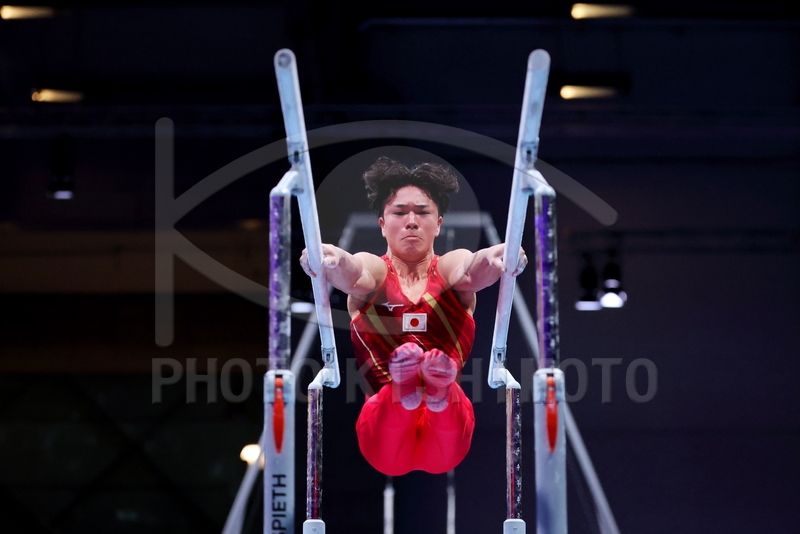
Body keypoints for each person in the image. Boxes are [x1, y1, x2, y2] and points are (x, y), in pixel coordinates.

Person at [300, 157, 526, 476]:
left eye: (422, 212)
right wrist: (330, 258)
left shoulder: (448, 268)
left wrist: (498, 256)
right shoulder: (376, 272)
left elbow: (472, 268)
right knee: (397, 406)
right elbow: (354, 272)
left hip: (445, 428)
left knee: (447, 405)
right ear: (382, 224)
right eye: (399, 212)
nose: (411, 221)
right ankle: (408, 388)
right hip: (383, 430)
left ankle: (436, 389)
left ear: (439, 224)